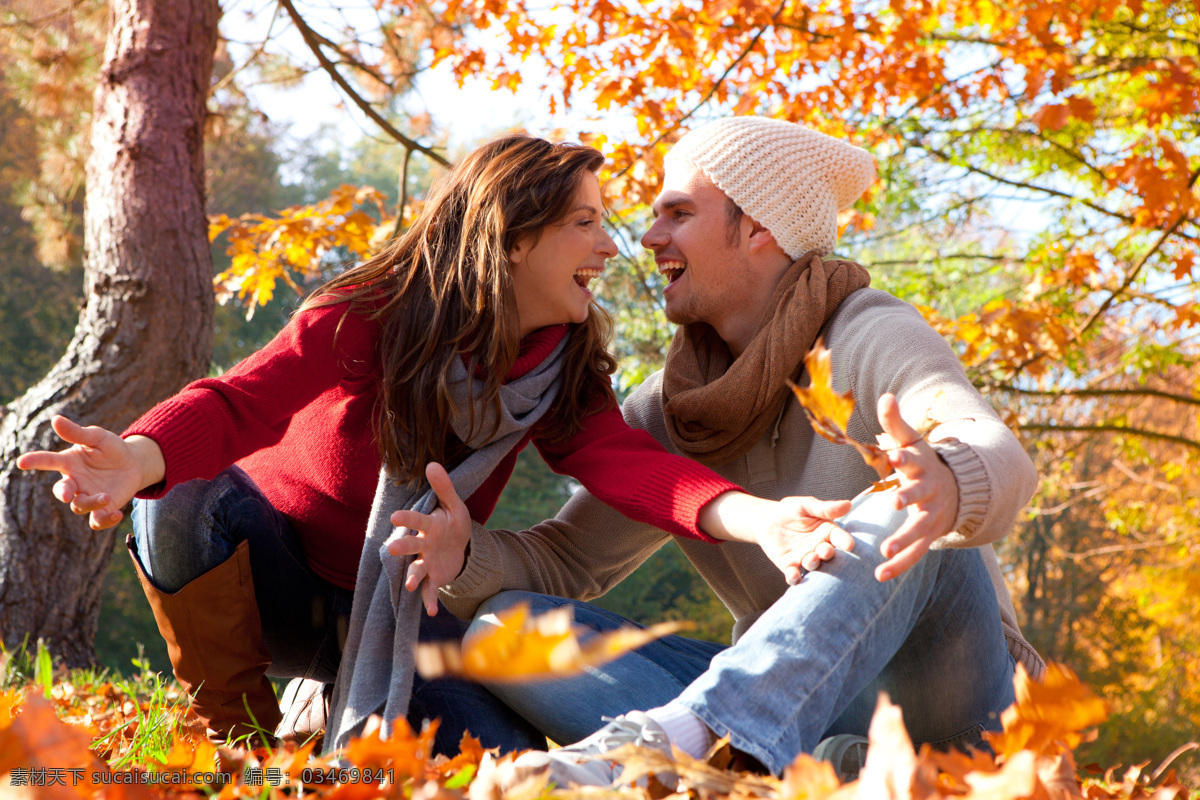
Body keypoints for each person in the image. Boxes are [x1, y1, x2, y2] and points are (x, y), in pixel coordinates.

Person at [15, 134, 854, 753]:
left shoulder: (562, 366)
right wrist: (137, 457)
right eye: (586, 223)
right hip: (270, 575)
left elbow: (626, 465)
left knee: (498, 756)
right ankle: (233, 736)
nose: (611, 245)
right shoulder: (371, 313)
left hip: (394, 610)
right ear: (514, 236)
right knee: (181, 501)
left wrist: (764, 521)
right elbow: (240, 403)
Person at [397, 117, 1045, 783]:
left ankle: (688, 744)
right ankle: (796, 768)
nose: (647, 240)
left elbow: (997, 450)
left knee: (896, 506)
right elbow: (568, 559)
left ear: (760, 227)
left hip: (954, 706)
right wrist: (467, 556)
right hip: (791, 707)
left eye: (678, 214)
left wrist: (944, 480)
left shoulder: (869, 333)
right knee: (508, 631)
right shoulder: (671, 407)